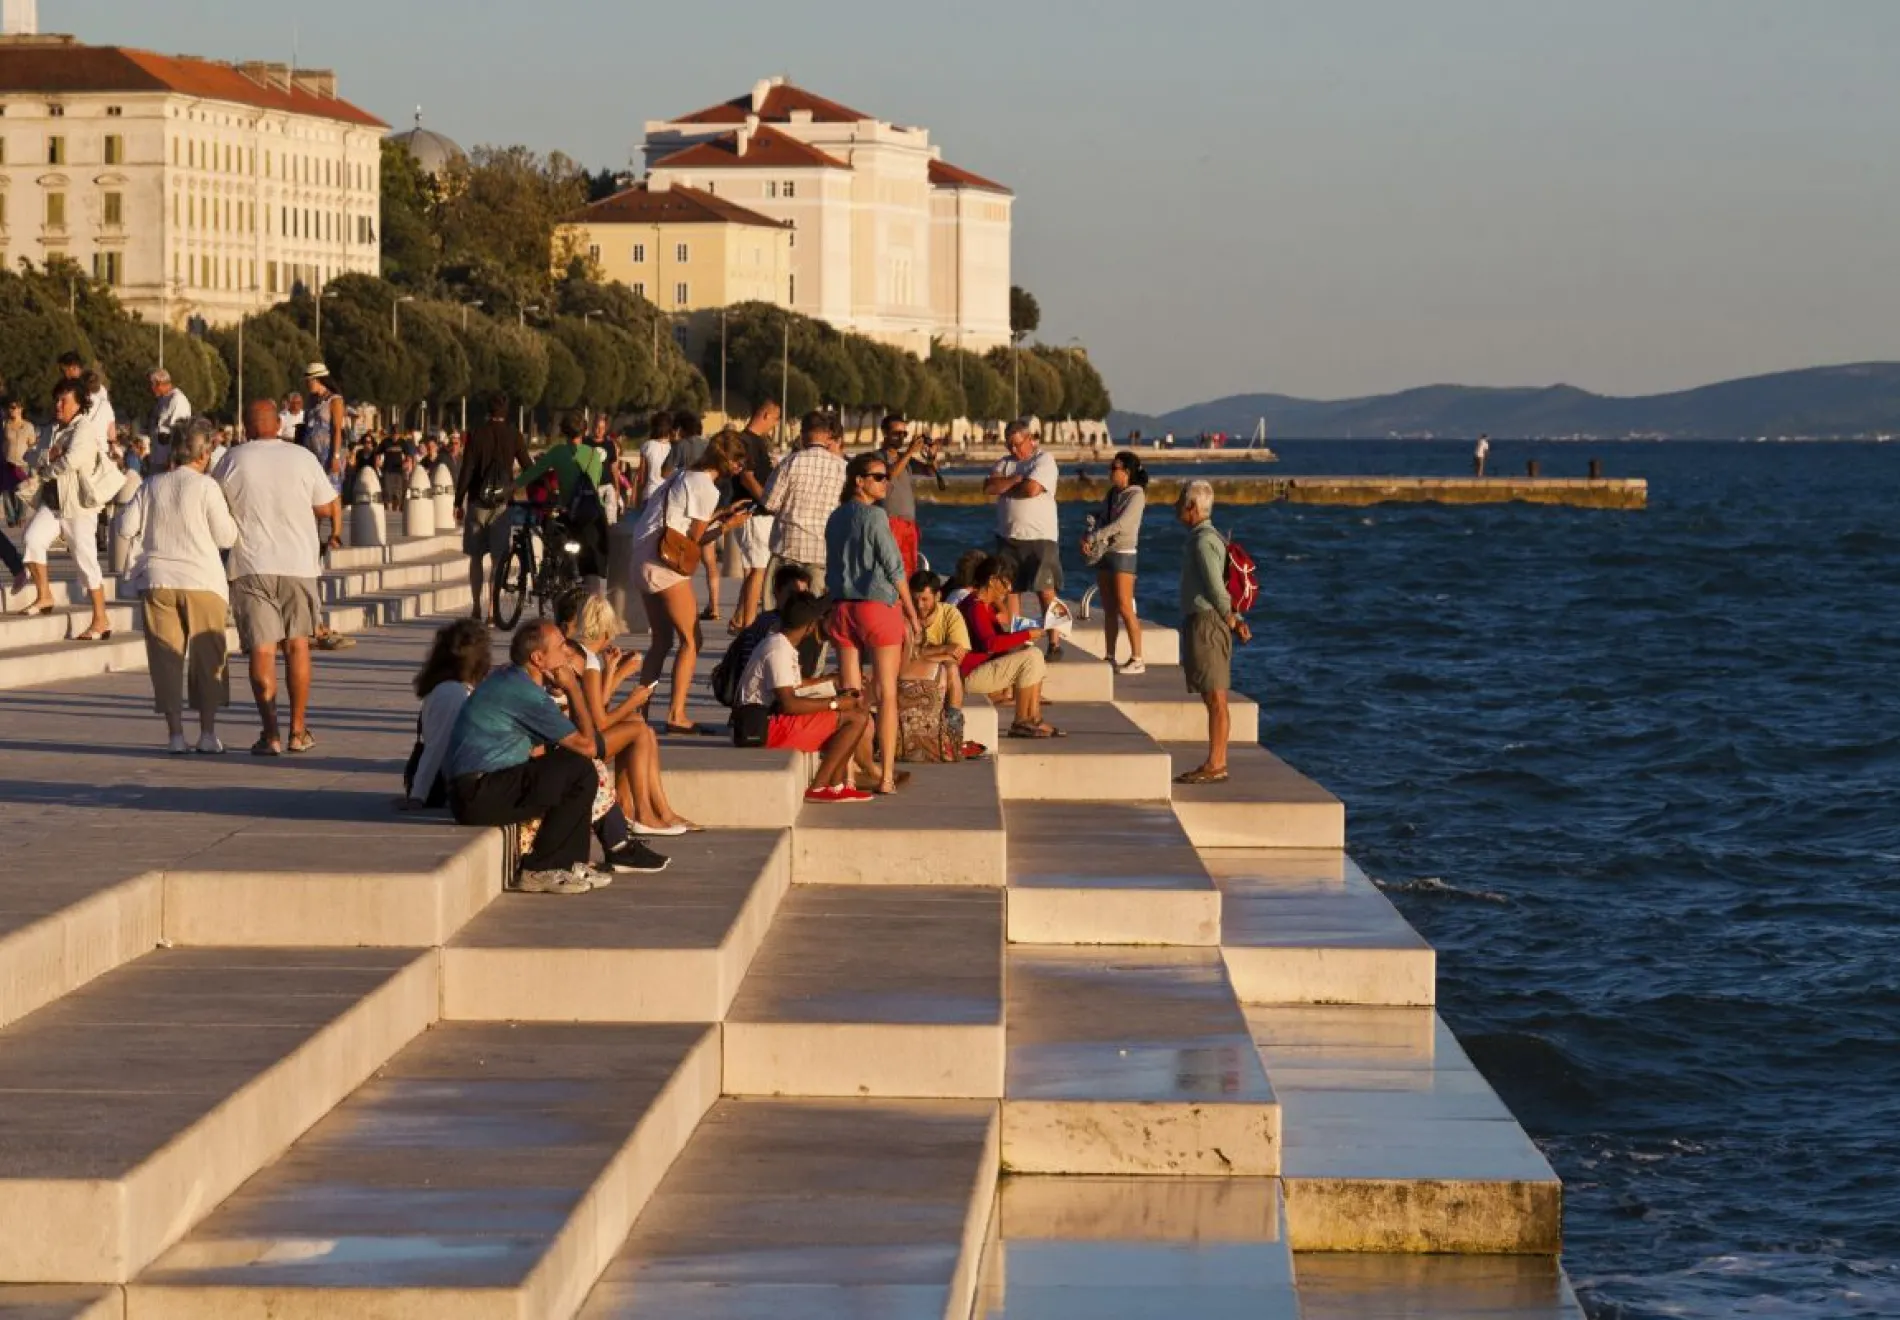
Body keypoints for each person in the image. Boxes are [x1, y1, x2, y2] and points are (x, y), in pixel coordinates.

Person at [445, 619, 658, 893]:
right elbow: (589, 744)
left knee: (575, 767)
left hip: (480, 788)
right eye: (561, 647)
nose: (568, 653)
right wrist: (572, 688)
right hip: (478, 794)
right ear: (538, 658)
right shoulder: (525, 693)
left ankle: (569, 863)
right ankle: (540, 868)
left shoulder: (512, 678)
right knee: (580, 768)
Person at [217, 398, 342, 757]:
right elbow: (323, 505)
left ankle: (270, 733)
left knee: (262, 648)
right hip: (299, 563)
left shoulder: (232, 459)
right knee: (299, 644)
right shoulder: (302, 457)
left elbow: (216, 502)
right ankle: (297, 731)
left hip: (251, 564)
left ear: (247, 425)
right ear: (278, 424)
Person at [126, 417, 238, 754]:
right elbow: (226, 536)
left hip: (159, 579)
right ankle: (207, 733)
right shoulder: (206, 487)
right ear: (203, 454)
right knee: (208, 658)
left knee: (165, 658)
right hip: (203, 580)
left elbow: (124, 526)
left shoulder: (150, 485)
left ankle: (175, 735)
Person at [631, 430, 751, 734]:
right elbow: (694, 542)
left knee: (661, 641)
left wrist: (722, 514)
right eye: (738, 462)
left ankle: (639, 712)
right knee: (692, 640)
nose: (739, 468)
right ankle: (677, 714)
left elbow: (680, 519)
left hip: (643, 557)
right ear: (727, 461)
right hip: (665, 567)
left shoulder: (684, 475)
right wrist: (728, 526)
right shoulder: (706, 487)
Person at [560, 593, 698, 839]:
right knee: (638, 729)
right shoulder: (588, 660)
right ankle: (645, 814)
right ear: (604, 631)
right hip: (573, 745)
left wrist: (615, 670)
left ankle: (638, 808)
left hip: (567, 737)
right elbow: (600, 720)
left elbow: (595, 704)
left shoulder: (573, 652)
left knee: (636, 724)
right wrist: (633, 701)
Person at [827, 451, 921, 794]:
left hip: (842, 609)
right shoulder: (875, 517)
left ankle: (849, 774)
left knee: (851, 697)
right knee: (887, 694)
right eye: (879, 477)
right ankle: (886, 777)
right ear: (860, 481)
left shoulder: (835, 517)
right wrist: (911, 612)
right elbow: (894, 566)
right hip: (876, 607)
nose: (887, 482)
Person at [734, 593, 875, 805]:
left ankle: (836, 785)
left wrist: (833, 686)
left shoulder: (780, 643)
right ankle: (819, 787)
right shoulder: (778, 650)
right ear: (810, 626)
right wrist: (835, 703)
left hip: (766, 721)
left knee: (855, 712)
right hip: (763, 728)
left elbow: (796, 686)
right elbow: (790, 704)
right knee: (855, 719)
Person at [19, 379, 114, 640]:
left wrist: (49, 464)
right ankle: (44, 596)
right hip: (53, 503)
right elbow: (31, 455)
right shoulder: (52, 429)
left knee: (86, 561)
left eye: (64, 400)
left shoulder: (84, 428)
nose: (58, 405)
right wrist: (49, 455)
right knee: (32, 540)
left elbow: (73, 460)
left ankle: (101, 619)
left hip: (78, 507)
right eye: (57, 399)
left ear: (78, 404)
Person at [1174, 479, 1251, 785]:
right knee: (1212, 694)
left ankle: (1216, 763)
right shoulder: (1204, 537)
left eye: (1181, 500)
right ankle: (1215, 761)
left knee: (1216, 696)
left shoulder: (1204, 541)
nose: (1176, 505)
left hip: (1208, 621)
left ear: (1192, 507)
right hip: (1205, 620)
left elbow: (1217, 589)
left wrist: (1233, 620)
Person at [959, 556, 1062, 739]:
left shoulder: (985, 607)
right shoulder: (975, 607)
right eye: (1005, 584)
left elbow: (996, 641)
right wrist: (1026, 635)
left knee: (1033, 654)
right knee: (1030, 657)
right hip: (970, 676)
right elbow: (990, 644)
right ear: (992, 580)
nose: (1009, 590)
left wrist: (1021, 639)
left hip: (981, 669)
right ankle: (1021, 721)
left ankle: (1034, 718)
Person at [984, 417, 1063, 656]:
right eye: (1010, 445)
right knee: (1010, 590)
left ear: (1030, 439)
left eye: (1018, 444)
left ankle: (1054, 642)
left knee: (1046, 591)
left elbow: (1032, 490)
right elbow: (989, 487)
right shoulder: (1005, 463)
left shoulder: (1044, 460)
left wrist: (1008, 485)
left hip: (1040, 537)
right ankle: (1016, 638)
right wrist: (1015, 480)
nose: (1014, 449)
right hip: (1008, 537)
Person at [455, 394, 531, 624]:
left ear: (488, 410)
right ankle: (491, 610)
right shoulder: (513, 435)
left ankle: (476, 606)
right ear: (506, 411)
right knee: (498, 560)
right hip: (501, 506)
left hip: (477, 501)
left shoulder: (477, 434)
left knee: (476, 557)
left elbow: (467, 468)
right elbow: (527, 466)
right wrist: (515, 486)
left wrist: (458, 501)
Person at [403, 618, 489, 810]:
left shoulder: (454, 689)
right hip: (456, 784)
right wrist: (418, 795)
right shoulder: (451, 694)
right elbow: (436, 747)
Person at [761, 411, 847, 603]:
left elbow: (769, 503)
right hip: (821, 550)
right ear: (827, 435)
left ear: (803, 433)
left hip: (787, 546)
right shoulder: (842, 468)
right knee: (816, 608)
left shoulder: (790, 463)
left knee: (777, 609)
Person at [514, 410, 608, 586]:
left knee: (556, 546)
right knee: (592, 571)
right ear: (585, 431)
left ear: (564, 432)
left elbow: (532, 473)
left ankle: (549, 574)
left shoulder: (557, 453)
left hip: (569, 514)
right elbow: (595, 486)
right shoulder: (594, 455)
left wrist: (510, 488)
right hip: (592, 517)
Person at [1080, 450, 1149, 674]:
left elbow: (1123, 524)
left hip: (1124, 553)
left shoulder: (1136, 495)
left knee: (1124, 605)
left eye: (1114, 468)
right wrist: (1089, 535)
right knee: (1109, 608)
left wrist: (1095, 536)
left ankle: (1137, 658)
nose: (1111, 471)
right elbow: (1102, 517)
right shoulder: (1112, 494)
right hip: (1105, 553)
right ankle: (1110, 655)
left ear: (1126, 472)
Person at [729, 398, 782, 633]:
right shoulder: (747, 442)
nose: (776, 424)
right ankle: (748, 626)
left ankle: (740, 618)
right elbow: (747, 477)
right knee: (757, 570)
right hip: (754, 513)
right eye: (776, 418)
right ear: (766, 415)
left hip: (759, 514)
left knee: (755, 569)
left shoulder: (757, 442)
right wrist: (768, 501)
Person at [876, 413, 935, 578]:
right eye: (897, 433)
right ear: (885, 433)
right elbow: (890, 474)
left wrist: (931, 457)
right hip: (890, 521)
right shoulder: (877, 457)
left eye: (904, 434)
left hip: (909, 524)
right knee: (891, 568)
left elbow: (930, 472)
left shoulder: (906, 459)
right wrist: (909, 452)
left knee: (909, 569)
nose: (901, 437)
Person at [910, 569, 971, 714]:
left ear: (937, 596)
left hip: (938, 670)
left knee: (951, 667)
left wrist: (921, 654)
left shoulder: (950, 614)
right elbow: (902, 655)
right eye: (915, 599)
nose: (919, 605)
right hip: (908, 670)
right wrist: (943, 649)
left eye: (924, 599)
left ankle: (953, 720)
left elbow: (958, 655)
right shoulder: (905, 615)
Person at [301, 363, 350, 491]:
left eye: (308, 381)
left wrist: (336, 456)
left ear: (317, 380)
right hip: (312, 453)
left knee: (332, 491)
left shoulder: (334, 400)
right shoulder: (311, 401)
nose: (306, 385)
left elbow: (337, 429)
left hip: (328, 453)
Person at [146, 369, 192, 468]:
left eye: (151, 384)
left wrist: (172, 460)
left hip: (167, 461)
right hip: (157, 457)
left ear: (160, 384)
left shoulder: (177, 400)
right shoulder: (162, 399)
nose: (150, 388)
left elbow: (178, 433)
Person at [3, 397, 35, 527]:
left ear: (21, 409)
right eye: (10, 407)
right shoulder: (5, 425)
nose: (12, 410)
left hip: (22, 464)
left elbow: (32, 445)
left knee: (21, 493)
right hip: (7, 462)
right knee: (6, 493)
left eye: (14, 407)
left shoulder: (28, 426)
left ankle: (21, 516)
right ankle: (11, 518)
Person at [635, 411, 675, 506]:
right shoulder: (674, 448)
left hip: (650, 493)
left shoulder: (647, 446)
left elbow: (642, 477)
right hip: (668, 497)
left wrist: (637, 501)